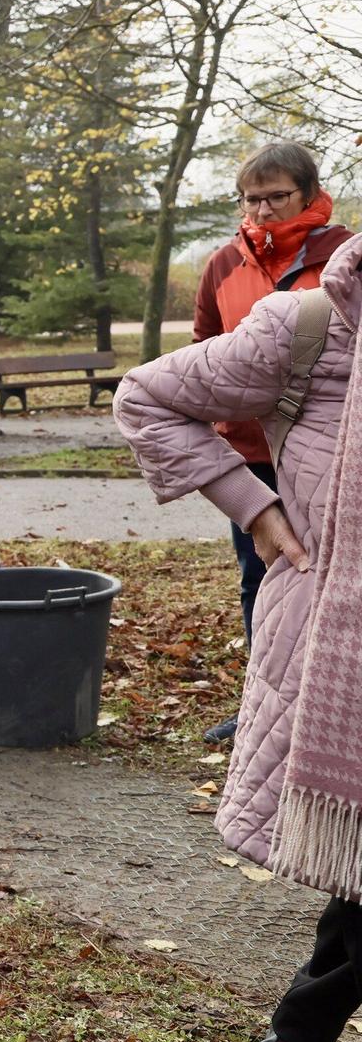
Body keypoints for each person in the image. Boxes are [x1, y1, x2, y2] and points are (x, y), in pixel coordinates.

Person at [117, 234, 362, 1042]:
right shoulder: (311, 328)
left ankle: (299, 1029)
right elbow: (147, 396)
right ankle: (299, 1031)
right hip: (340, 640)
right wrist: (254, 508)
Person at [188, 142, 353, 745]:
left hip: (330, 449)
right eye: (250, 199)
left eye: (276, 197)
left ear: (309, 195)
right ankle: (262, 706)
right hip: (251, 454)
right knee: (259, 577)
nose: (261, 211)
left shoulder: (345, 254)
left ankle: (332, 705)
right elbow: (205, 346)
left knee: (335, 579)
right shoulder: (223, 263)